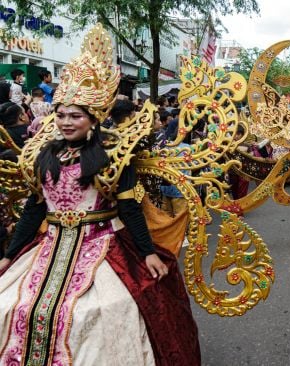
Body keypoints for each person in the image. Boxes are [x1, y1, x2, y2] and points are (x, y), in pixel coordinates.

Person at [0, 24, 200, 365]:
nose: (65, 122)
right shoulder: (45, 155)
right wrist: (10, 254)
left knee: (101, 310)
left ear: (93, 120)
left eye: (75, 116)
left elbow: (131, 211)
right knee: (16, 304)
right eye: (61, 114)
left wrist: (148, 252)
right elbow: (35, 211)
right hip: (48, 248)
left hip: (102, 246)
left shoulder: (112, 156)